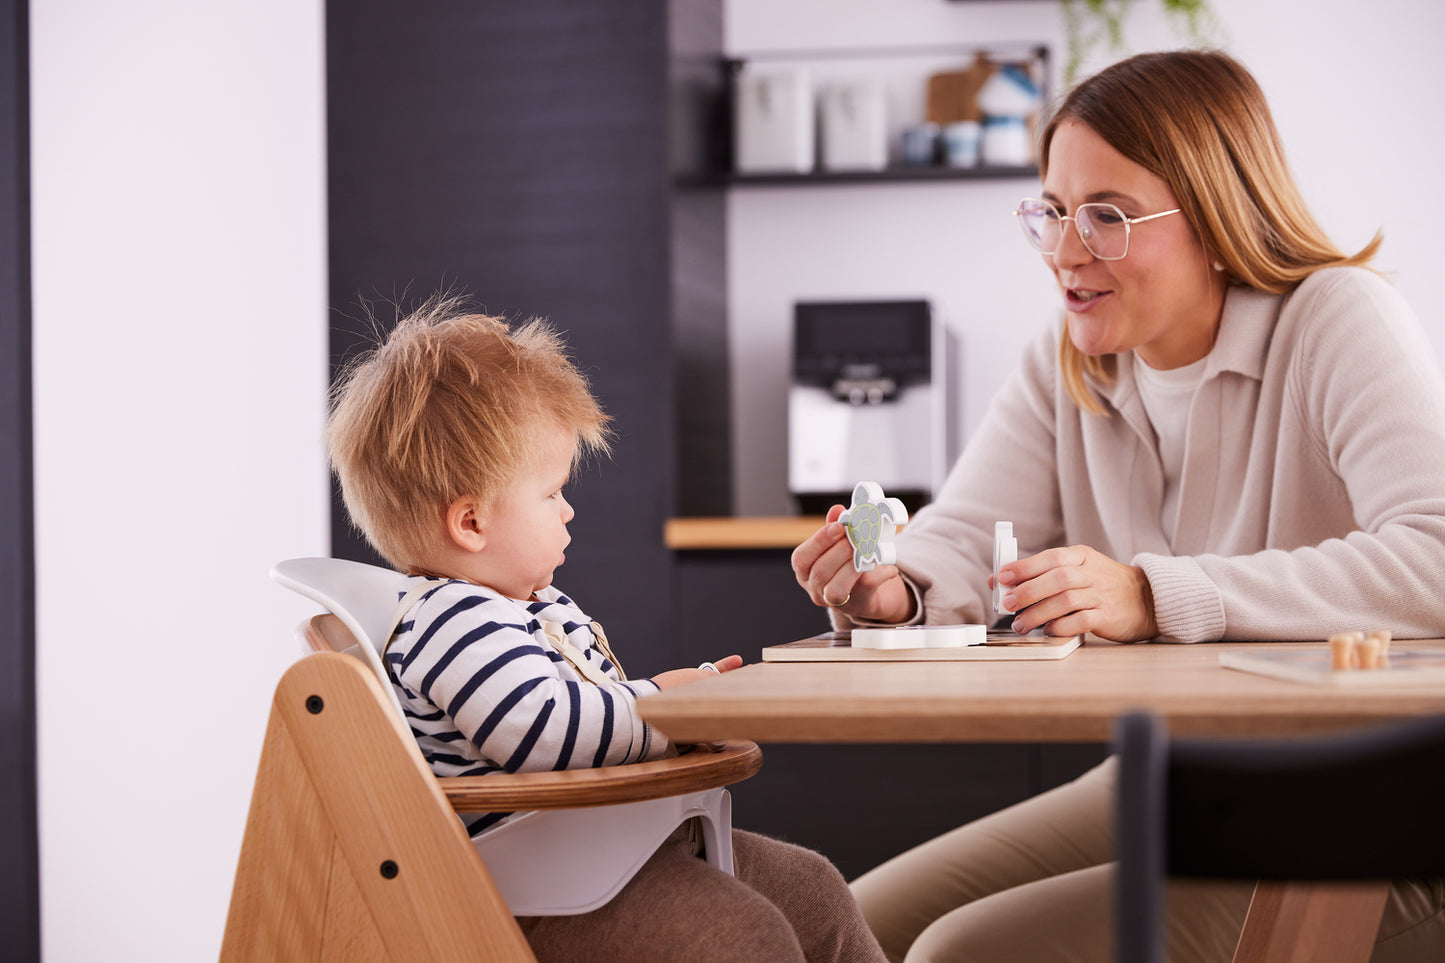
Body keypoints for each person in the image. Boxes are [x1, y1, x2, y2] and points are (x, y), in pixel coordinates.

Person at [790, 50, 1445, 962]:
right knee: (846, 923)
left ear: (1220, 218)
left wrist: (1151, 594)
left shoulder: (1337, 319)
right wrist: (891, 592)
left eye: (1107, 216)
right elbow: (965, 535)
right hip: (1182, 773)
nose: (1065, 251)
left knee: (964, 951)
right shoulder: (1067, 363)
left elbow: (1435, 559)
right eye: (1054, 212)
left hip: (1387, 805)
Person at [329, 296, 887, 963]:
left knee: (814, 889)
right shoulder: (454, 619)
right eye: (550, 493)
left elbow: (593, 714)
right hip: (542, 890)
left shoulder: (527, 605)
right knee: (740, 938)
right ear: (471, 522)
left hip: (607, 853)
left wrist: (681, 702)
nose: (568, 512)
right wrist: (668, 707)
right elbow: (543, 732)